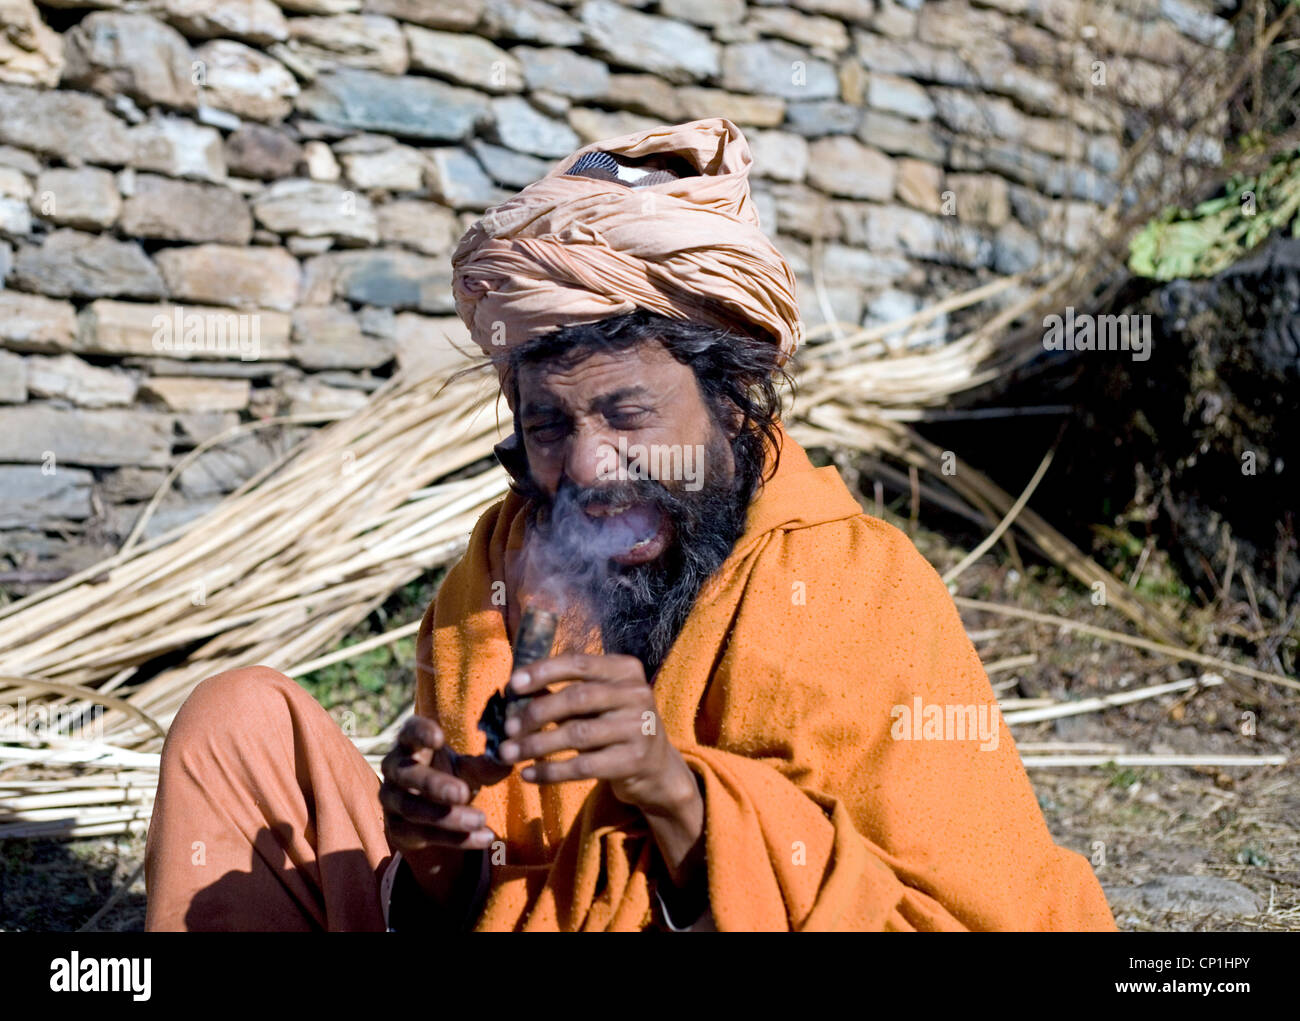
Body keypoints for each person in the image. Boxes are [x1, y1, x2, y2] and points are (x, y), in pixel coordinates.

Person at [144, 118, 1117, 932]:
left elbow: (932, 914)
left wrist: (676, 796)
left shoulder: (855, 590)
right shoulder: (503, 568)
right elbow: (487, 888)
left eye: (627, 414)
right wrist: (437, 863)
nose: (589, 469)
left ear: (734, 404)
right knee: (237, 728)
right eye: (549, 425)